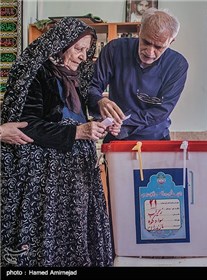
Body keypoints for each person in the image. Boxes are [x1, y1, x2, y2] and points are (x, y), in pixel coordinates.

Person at [0, 17, 119, 267]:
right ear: (61, 44)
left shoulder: (76, 79)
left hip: (76, 173)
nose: (82, 56)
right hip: (46, 176)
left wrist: (102, 123)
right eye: (78, 49)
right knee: (49, 232)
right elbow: (27, 125)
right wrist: (76, 133)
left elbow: (77, 116)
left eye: (87, 50)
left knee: (74, 227)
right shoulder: (36, 73)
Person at [88, 8, 189, 142]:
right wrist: (100, 101)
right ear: (139, 29)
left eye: (159, 47)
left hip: (156, 138)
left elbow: (162, 111)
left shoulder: (177, 65)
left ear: (171, 42)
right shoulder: (114, 50)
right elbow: (92, 86)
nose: (150, 52)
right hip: (117, 137)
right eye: (146, 42)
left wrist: (122, 120)